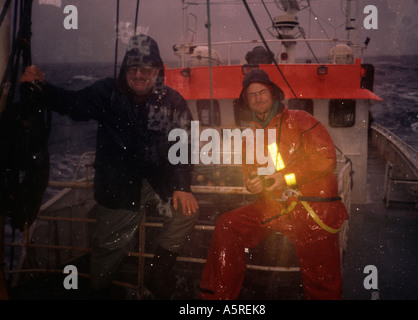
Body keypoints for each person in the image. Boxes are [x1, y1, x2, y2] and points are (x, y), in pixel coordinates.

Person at [20, 35, 199, 299]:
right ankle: (100, 292)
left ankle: (157, 273)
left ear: (158, 71)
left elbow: (183, 146)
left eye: (146, 69)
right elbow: (73, 104)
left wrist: (182, 187)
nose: (139, 75)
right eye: (133, 68)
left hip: (157, 184)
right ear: (125, 69)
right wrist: (40, 87)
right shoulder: (107, 93)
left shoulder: (172, 101)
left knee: (187, 212)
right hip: (118, 187)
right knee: (107, 252)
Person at [199, 69, 349, 300]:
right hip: (277, 208)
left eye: (262, 92)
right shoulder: (250, 136)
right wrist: (252, 186)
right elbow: (250, 174)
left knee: (323, 282)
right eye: (252, 95)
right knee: (227, 224)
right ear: (247, 101)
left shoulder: (301, 120)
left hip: (314, 209)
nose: (258, 98)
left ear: (273, 95)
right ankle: (216, 299)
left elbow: (326, 159)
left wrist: (288, 176)